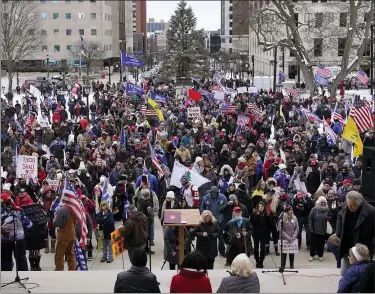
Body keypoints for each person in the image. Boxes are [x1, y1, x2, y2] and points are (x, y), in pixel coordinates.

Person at [336, 191, 374, 276]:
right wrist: (338, 232)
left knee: (362, 274)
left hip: (362, 248)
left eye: (352, 205)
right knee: (344, 272)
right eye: (349, 205)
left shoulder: (371, 211)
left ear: (359, 203)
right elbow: (339, 215)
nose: (350, 207)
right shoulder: (347, 205)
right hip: (347, 245)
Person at [1, 193, 33, 271]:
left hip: (5, 240)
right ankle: (23, 277)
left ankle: (7, 277)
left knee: (5, 259)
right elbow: (29, 224)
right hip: (19, 239)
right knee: (21, 258)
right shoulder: (18, 210)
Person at [308, 196, 330, 261]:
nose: (323, 203)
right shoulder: (314, 209)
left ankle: (320, 255)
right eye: (321, 202)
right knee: (313, 244)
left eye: (324, 202)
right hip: (314, 230)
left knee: (321, 244)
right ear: (318, 202)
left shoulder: (328, 210)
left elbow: (330, 219)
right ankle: (312, 255)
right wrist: (311, 229)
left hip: (323, 230)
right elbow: (310, 219)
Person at [250, 201, 271, 268]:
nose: (260, 208)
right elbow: (251, 224)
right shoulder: (254, 214)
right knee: (256, 248)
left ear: (264, 207)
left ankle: (261, 261)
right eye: (259, 206)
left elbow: (269, 225)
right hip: (256, 234)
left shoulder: (267, 215)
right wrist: (252, 231)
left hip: (264, 234)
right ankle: (257, 261)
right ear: (257, 207)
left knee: (262, 248)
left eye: (262, 206)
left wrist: (268, 233)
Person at [278, 205, 299, 269]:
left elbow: (297, 227)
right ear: (286, 211)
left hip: (292, 238)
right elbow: (280, 229)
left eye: (292, 210)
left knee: (291, 253)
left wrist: (293, 237)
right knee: (284, 253)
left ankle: (291, 265)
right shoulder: (282, 219)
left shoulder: (294, 218)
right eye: (290, 210)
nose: (291, 211)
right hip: (284, 239)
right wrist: (288, 238)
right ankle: (283, 265)